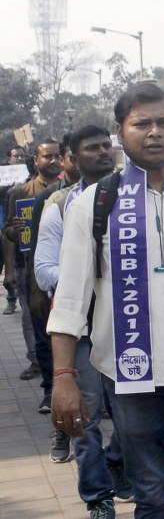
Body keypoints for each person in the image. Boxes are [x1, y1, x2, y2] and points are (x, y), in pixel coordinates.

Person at [47, 83, 164, 519]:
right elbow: (71, 300)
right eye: (142, 124)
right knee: (152, 496)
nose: (155, 132)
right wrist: (64, 378)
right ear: (121, 131)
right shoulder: (93, 205)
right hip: (130, 377)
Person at [35, 125, 132, 517]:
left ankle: (118, 462)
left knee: (134, 415)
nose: (104, 152)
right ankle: (97, 496)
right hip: (83, 331)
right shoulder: (58, 205)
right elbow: (43, 269)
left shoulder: (133, 198)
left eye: (108, 145)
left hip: (127, 327)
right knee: (85, 418)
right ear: (72, 158)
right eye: (92, 148)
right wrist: (89, 278)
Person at [5, 138, 63, 414]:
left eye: (57, 156)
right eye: (46, 157)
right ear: (35, 161)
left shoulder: (71, 190)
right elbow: (9, 233)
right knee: (42, 332)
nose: (52, 161)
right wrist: (14, 230)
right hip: (31, 268)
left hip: (64, 268)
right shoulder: (21, 193)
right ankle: (50, 389)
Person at [1, 145, 26, 316]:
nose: (19, 159)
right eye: (16, 157)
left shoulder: (28, 181)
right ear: (9, 159)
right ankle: (11, 299)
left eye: (22, 157)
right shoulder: (3, 183)